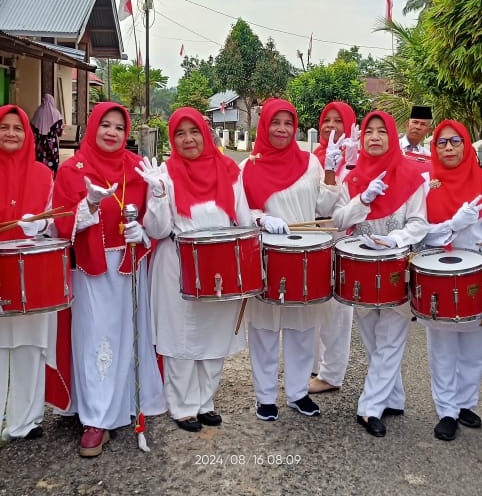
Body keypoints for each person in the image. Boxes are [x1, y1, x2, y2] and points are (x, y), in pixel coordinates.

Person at [51, 102, 166, 458]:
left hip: (130, 266)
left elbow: (156, 222)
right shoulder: (72, 170)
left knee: (127, 334)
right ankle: (95, 417)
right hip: (91, 269)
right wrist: (87, 208)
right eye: (106, 125)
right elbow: (60, 223)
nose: (113, 133)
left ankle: (123, 406)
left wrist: (143, 228)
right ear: (93, 127)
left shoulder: (136, 168)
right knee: (95, 337)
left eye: (119, 127)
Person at [142, 107, 251, 431]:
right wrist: (159, 195)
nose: (188, 139)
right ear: (172, 139)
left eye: (194, 132)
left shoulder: (229, 169)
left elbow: (242, 219)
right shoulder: (165, 172)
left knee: (214, 336)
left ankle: (206, 401)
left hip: (221, 267)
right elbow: (157, 229)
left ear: (205, 134)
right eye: (180, 133)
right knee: (181, 337)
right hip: (177, 264)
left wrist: (248, 259)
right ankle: (182, 406)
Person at [240, 99, 346, 422]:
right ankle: (265, 397)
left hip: (304, 257)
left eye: (288, 123)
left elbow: (325, 208)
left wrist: (329, 170)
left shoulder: (310, 164)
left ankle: (298, 393)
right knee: (264, 330)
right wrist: (261, 219)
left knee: (302, 330)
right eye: (276, 122)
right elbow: (241, 212)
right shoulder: (249, 166)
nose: (283, 129)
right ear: (264, 125)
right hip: (269, 257)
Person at [333, 111, 429, 437]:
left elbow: (419, 223)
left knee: (391, 339)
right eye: (369, 132)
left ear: (392, 136)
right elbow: (339, 219)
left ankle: (369, 407)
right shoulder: (354, 177)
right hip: (361, 268)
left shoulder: (412, 176)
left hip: (396, 268)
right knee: (373, 337)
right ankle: (394, 397)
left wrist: (395, 239)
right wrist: (364, 199)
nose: (374, 137)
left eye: (381, 131)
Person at [0, 106, 55, 453]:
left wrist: (42, 225)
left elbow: (53, 220)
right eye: (3, 127)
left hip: (30, 270)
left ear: (28, 134)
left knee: (29, 346)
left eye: (17, 128)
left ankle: (27, 420)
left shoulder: (42, 173)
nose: (10, 134)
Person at [419, 120, 482, 441]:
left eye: (455, 141)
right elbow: (419, 232)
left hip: (477, 274)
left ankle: (465, 402)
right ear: (434, 148)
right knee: (443, 347)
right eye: (441, 143)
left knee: (474, 348)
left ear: (466, 144)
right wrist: (452, 225)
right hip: (438, 275)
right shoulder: (425, 183)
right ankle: (446, 410)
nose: (448, 148)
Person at [310, 101, 360, 395]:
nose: (330, 126)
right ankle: (316, 365)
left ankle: (332, 374)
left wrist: (351, 167)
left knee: (339, 313)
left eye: (337, 121)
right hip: (315, 241)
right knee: (315, 307)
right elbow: (316, 204)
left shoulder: (359, 159)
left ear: (350, 125)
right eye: (326, 120)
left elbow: (351, 207)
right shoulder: (313, 159)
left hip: (343, 241)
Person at [31, 93, 64, 176]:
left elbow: (32, 129)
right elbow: (59, 132)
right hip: (52, 144)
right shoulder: (56, 113)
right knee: (52, 162)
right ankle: (51, 179)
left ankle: (40, 178)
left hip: (40, 144)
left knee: (40, 161)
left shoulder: (38, 112)